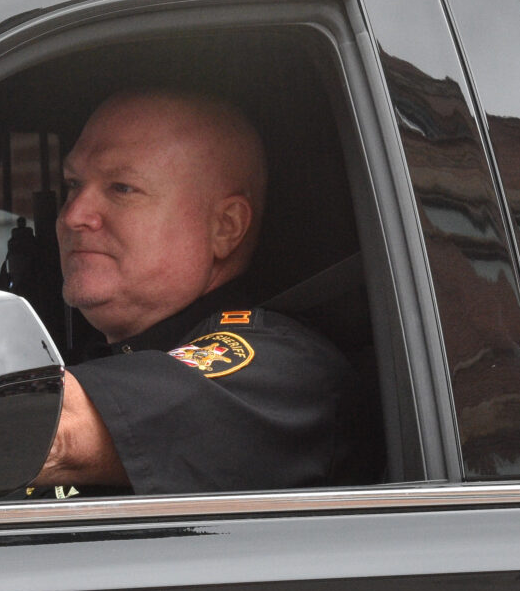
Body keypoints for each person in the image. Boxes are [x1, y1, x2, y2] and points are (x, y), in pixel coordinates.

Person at [33, 87, 357, 495]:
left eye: (121, 188)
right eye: (73, 184)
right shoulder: (91, 351)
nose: (73, 215)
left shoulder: (279, 370)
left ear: (225, 227)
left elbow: (46, 430)